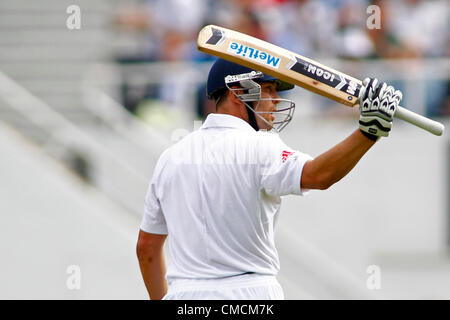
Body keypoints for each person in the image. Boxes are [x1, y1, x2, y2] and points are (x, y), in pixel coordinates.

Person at [136, 58, 402, 300]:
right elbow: (319, 176)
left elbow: (147, 248)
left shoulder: (169, 159)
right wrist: (368, 132)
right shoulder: (261, 146)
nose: (276, 99)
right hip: (250, 295)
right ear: (239, 93)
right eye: (269, 89)